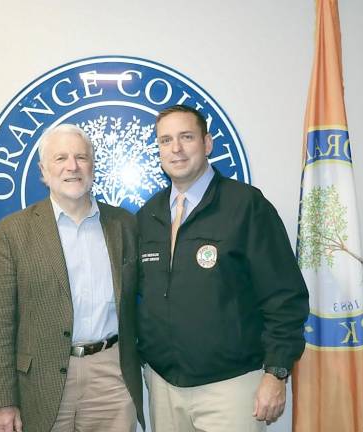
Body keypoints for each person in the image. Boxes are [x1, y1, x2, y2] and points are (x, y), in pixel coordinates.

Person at [136, 105, 309, 432]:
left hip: (230, 388)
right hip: (163, 386)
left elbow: (284, 296)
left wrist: (276, 372)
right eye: (166, 140)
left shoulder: (246, 206)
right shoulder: (149, 215)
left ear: (208, 143)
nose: (176, 148)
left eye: (186, 137)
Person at [0, 124, 144, 432]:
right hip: (41, 380)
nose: (72, 166)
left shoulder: (124, 224)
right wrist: (1, 400)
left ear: (93, 166)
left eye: (81, 157)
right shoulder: (13, 231)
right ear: (44, 170)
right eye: (61, 158)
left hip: (110, 376)